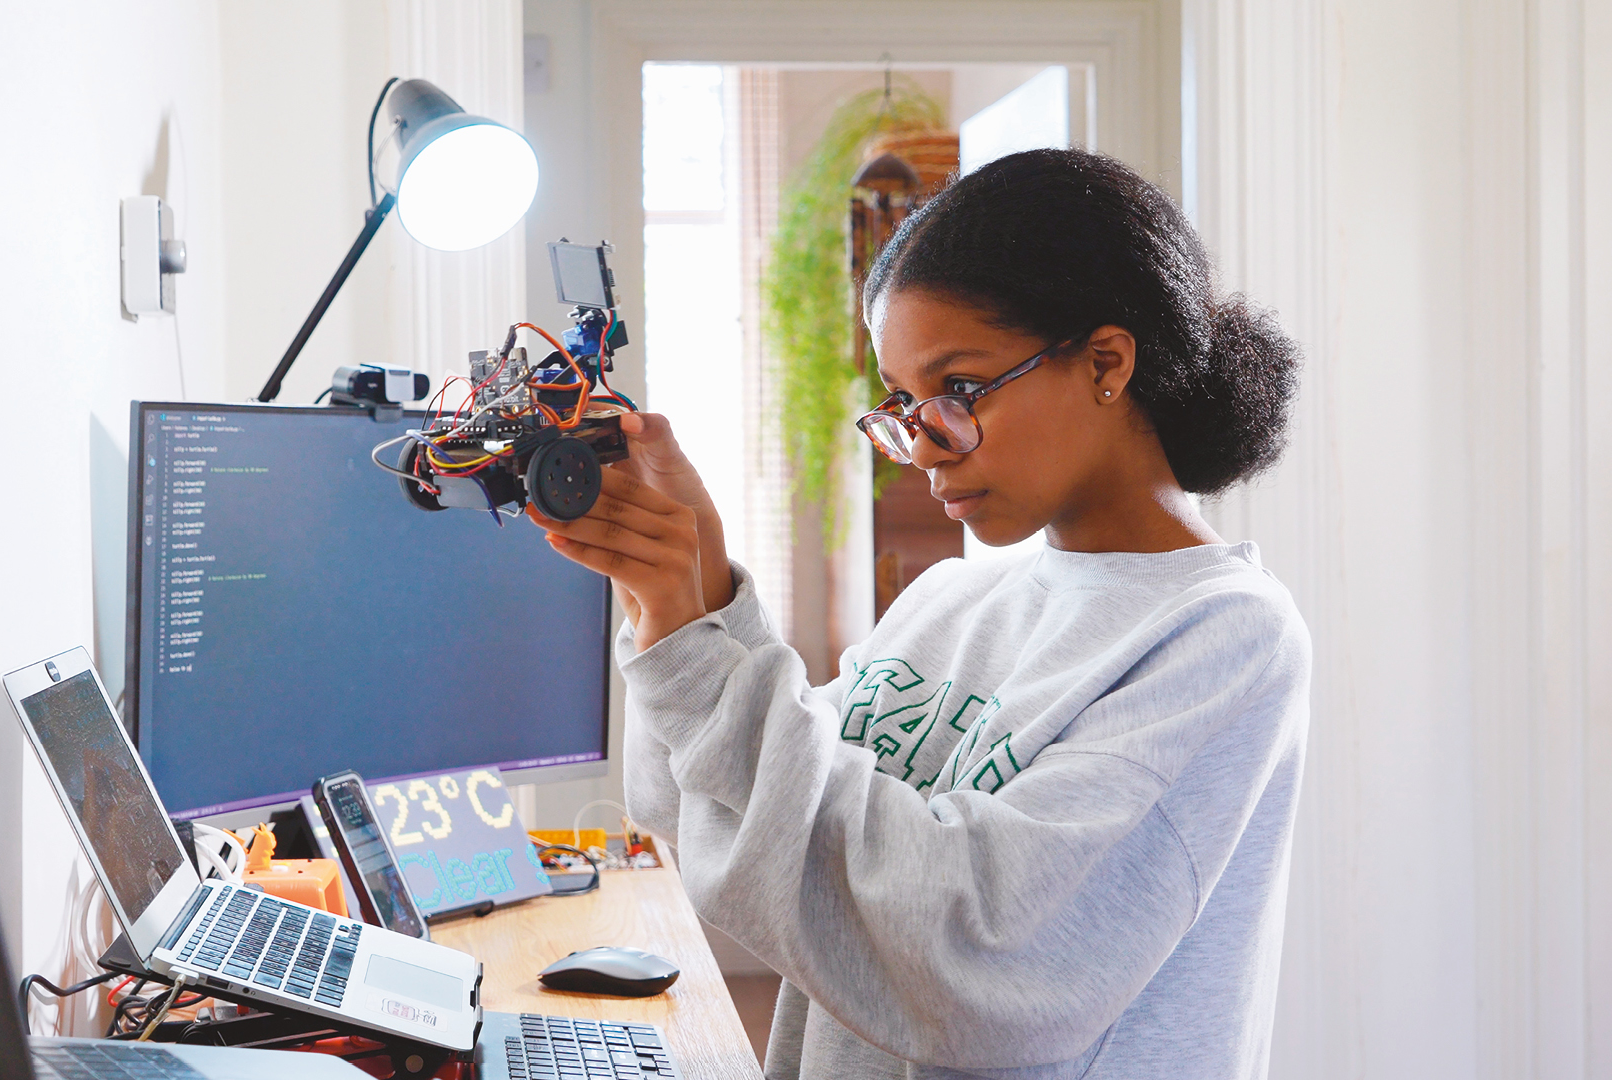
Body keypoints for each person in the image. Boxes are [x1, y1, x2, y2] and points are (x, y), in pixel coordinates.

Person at [528, 148, 1308, 1080]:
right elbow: (713, 813)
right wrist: (685, 600)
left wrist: (703, 651)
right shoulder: (949, 598)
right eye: (903, 404)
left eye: (958, 393)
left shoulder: (1224, 635)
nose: (921, 448)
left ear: (1106, 361)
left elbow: (980, 963)